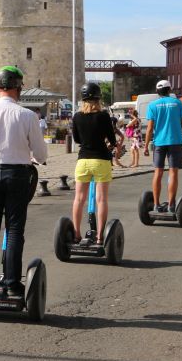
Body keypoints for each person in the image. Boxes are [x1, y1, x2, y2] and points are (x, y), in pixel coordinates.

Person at [0, 66, 48, 299]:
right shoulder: (27, 115)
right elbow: (41, 154)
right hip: (17, 173)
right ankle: (10, 282)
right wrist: (38, 159)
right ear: (19, 88)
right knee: (15, 228)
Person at [70, 82, 116, 245]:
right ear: (98, 98)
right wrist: (111, 144)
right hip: (101, 160)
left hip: (83, 161)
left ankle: (76, 234)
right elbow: (112, 139)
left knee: (79, 199)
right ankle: (99, 237)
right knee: (101, 199)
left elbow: (76, 139)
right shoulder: (103, 116)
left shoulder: (76, 116)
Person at [144, 79, 182, 213]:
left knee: (158, 172)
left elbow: (150, 128)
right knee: (173, 171)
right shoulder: (178, 103)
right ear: (169, 90)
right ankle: (171, 205)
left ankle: (156, 205)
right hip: (175, 141)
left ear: (157, 91)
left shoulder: (152, 105)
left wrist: (145, 146)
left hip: (159, 142)